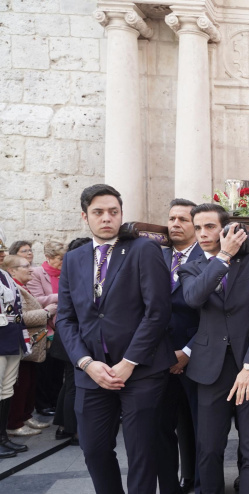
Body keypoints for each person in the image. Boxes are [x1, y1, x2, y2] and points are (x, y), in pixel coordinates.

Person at [55, 184, 175, 494]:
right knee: (93, 449)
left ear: (121, 214)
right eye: (98, 212)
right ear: (85, 217)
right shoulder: (74, 258)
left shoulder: (143, 250)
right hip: (92, 372)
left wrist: (128, 362)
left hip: (141, 370)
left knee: (141, 452)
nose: (107, 218)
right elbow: (66, 318)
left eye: (113, 212)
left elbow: (157, 313)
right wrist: (86, 363)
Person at [178, 203, 249, 494]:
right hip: (210, 370)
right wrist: (223, 256)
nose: (203, 233)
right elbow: (194, 298)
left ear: (225, 228)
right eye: (198, 227)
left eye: (210, 226)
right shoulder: (190, 268)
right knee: (208, 448)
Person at [155, 198, 202, 494]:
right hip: (158, 358)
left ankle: (197, 480)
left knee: (198, 426)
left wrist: (187, 351)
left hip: (196, 356)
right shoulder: (154, 257)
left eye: (183, 219)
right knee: (161, 428)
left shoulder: (208, 258)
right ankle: (169, 485)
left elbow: (216, 315)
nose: (175, 224)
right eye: (172, 219)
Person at [4, 255, 56, 437]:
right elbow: (19, 318)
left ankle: (25, 416)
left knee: (30, 383)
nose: (31, 269)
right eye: (26, 266)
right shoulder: (12, 288)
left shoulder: (22, 286)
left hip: (31, 346)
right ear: (12, 270)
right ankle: (15, 422)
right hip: (19, 343)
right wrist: (45, 313)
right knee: (20, 385)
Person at [51, 238, 90, 447]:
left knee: (70, 384)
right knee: (74, 385)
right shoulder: (77, 273)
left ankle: (63, 425)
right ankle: (73, 429)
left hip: (68, 338)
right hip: (72, 338)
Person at [27, 241, 66, 418]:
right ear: (49, 257)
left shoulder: (65, 272)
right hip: (45, 328)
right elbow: (37, 299)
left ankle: (56, 401)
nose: (63, 261)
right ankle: (43, 404)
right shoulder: (37, 273)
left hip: (63, 326)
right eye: (60, 258)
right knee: (45, 368)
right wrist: (63, 296)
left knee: (58, 367)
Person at [0, 256, 27, 458]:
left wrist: (21, 332)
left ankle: (2, 438)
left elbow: (14, 308)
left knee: (7, 387)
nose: (1, 253)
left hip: (11, 336)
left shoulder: (4, 275)